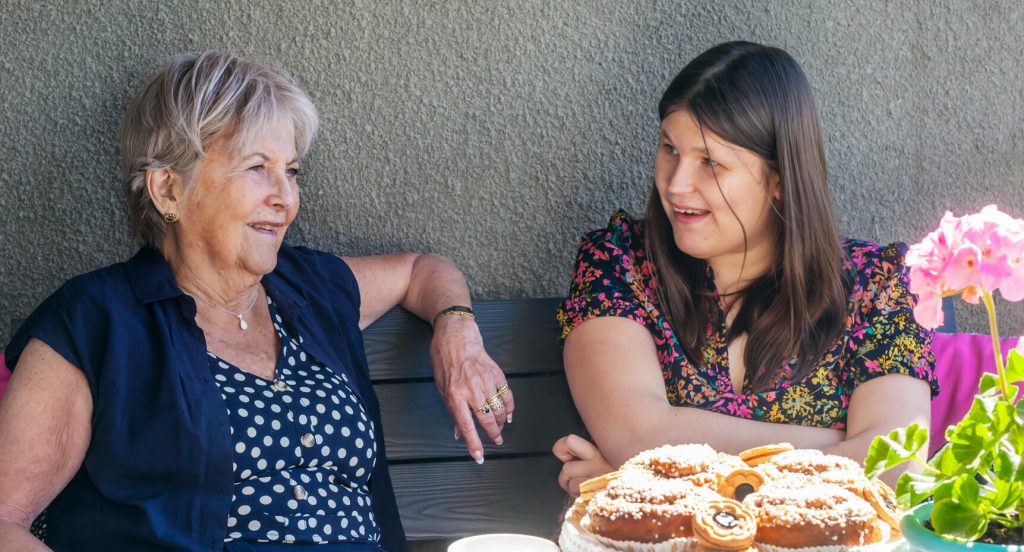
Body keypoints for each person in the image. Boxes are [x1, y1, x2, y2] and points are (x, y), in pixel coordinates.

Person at [0, 51, 514, 551]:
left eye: (292, 171)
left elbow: (421, 270)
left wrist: (458, 333)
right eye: (256, 167)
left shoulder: (309, 289)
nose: (285, 197)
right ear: (167, 191)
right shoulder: (94, 321)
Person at [553, 41, 937, 495]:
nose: (676, 185)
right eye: (670, 149)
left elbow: (894, 467)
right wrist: (844, 448)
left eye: (710, 163)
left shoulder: (878, 285)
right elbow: (639, 436)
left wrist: (638, 480)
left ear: (778, 180)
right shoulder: (618, 263)